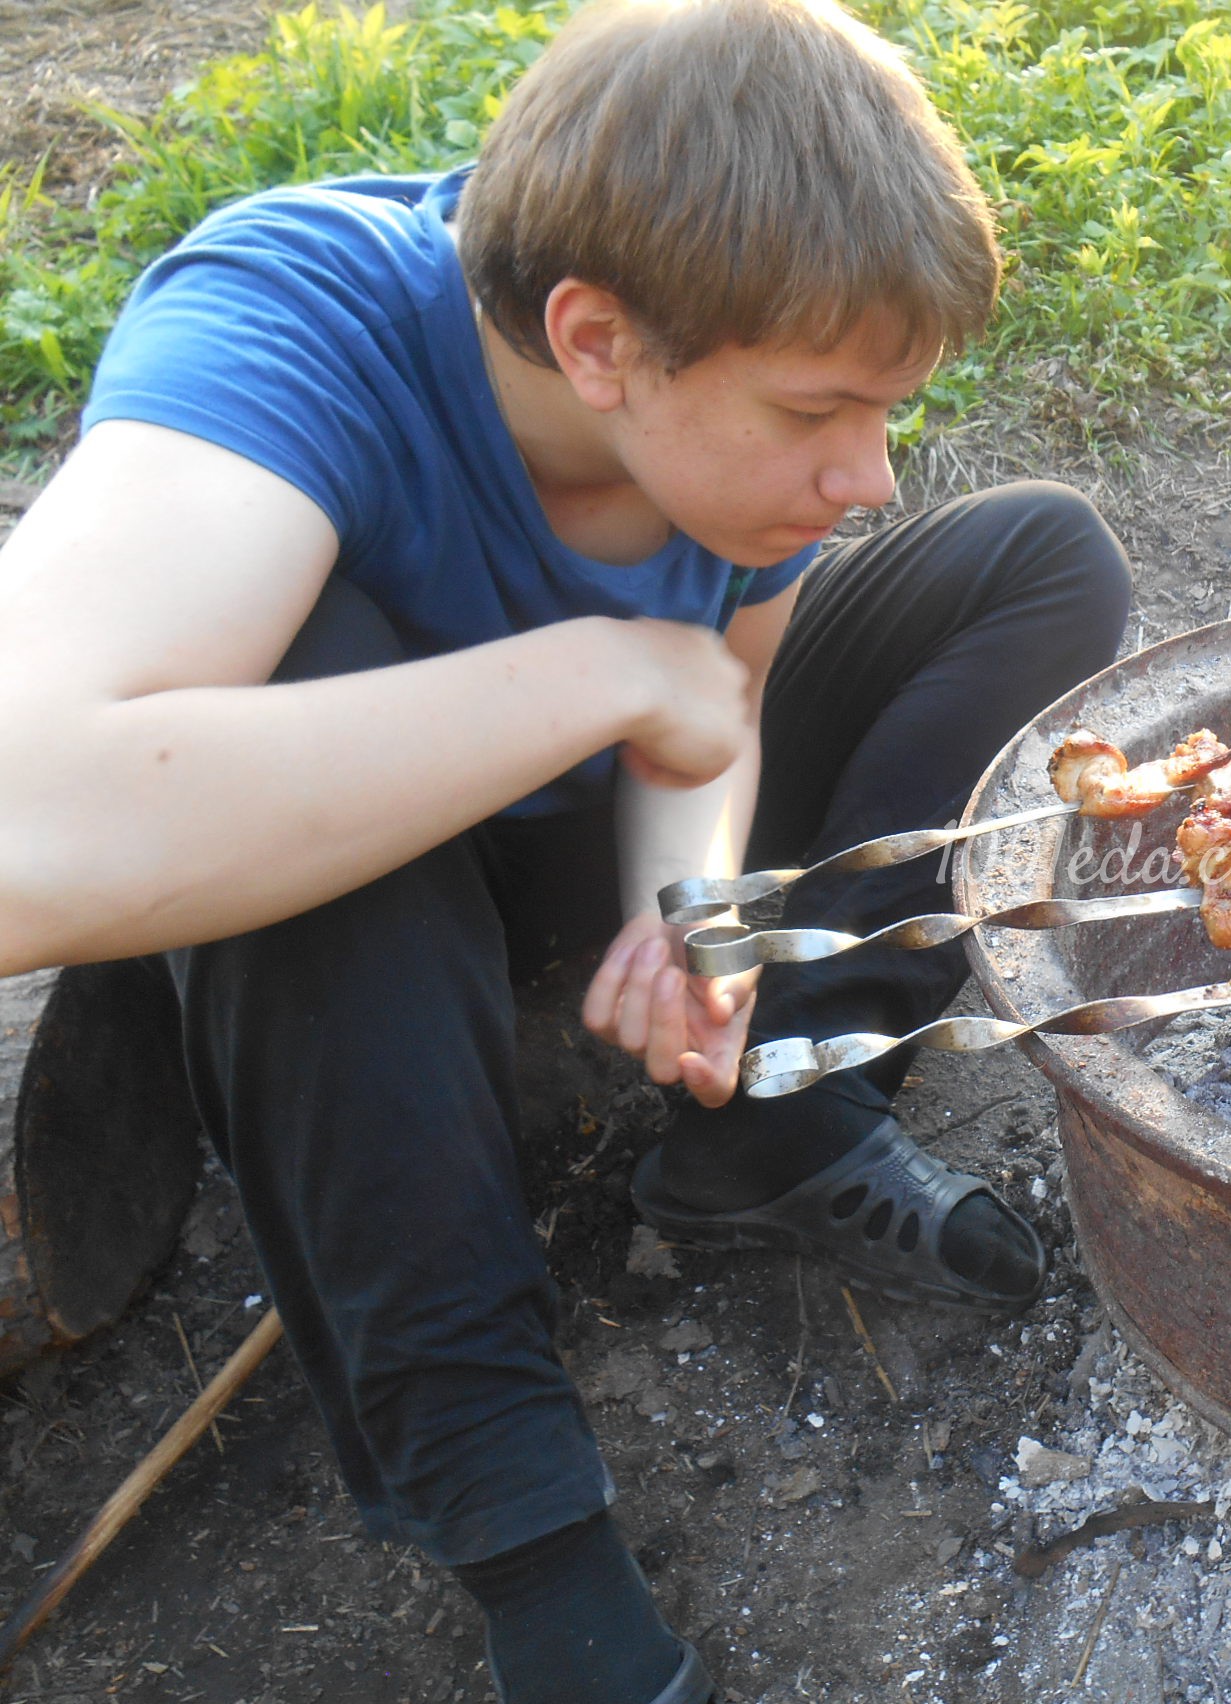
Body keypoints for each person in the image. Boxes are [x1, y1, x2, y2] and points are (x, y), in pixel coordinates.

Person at [0, 0, 1131, 1697]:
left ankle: (774, 1124)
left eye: (888, 409)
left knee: (1039, 559)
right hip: (358, 899)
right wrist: (606, 669)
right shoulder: (288, 324)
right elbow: (21, 831)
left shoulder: (717, 402)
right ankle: (524, 1529)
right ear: (596, 341)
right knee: (304, 668)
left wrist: (696, 915)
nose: (869, 475)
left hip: (564, 832)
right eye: (822, 410)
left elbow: (720, 707)